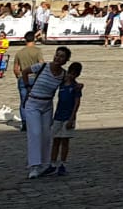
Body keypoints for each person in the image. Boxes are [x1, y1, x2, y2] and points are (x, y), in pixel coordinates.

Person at [20, 45, 72, 179]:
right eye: (57, 54)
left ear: (65, 60)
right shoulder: (42, 67)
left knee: (46, 135)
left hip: (47, 105)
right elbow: (25, 72)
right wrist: (27, 87)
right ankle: (34, 166)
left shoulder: (63, 75)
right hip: (33, 104)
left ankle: (44, 163)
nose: (57, 58)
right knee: (35, 133)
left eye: (61, 56)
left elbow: (70, 84)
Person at [46, 62, 83, 176]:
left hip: (68, 116)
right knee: (56, 140)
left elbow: (77, 103)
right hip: (58, 115)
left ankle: (62, 163)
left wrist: (72, 118)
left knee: (65, 141)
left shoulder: (75, 87)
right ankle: (52, 163)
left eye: (74, 74)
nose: (71, 76)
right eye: (70, 73)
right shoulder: (62, 83)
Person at [9, 30, 43, 131]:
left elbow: (16, 68)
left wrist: (18, 76)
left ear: (25, 40)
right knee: (36, 100)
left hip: (23, 79)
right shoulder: (38, 51)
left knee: (24, 101)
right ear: (34, 39)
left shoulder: (19, 53)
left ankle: (25, 123)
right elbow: (41, 64)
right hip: (34, 78)